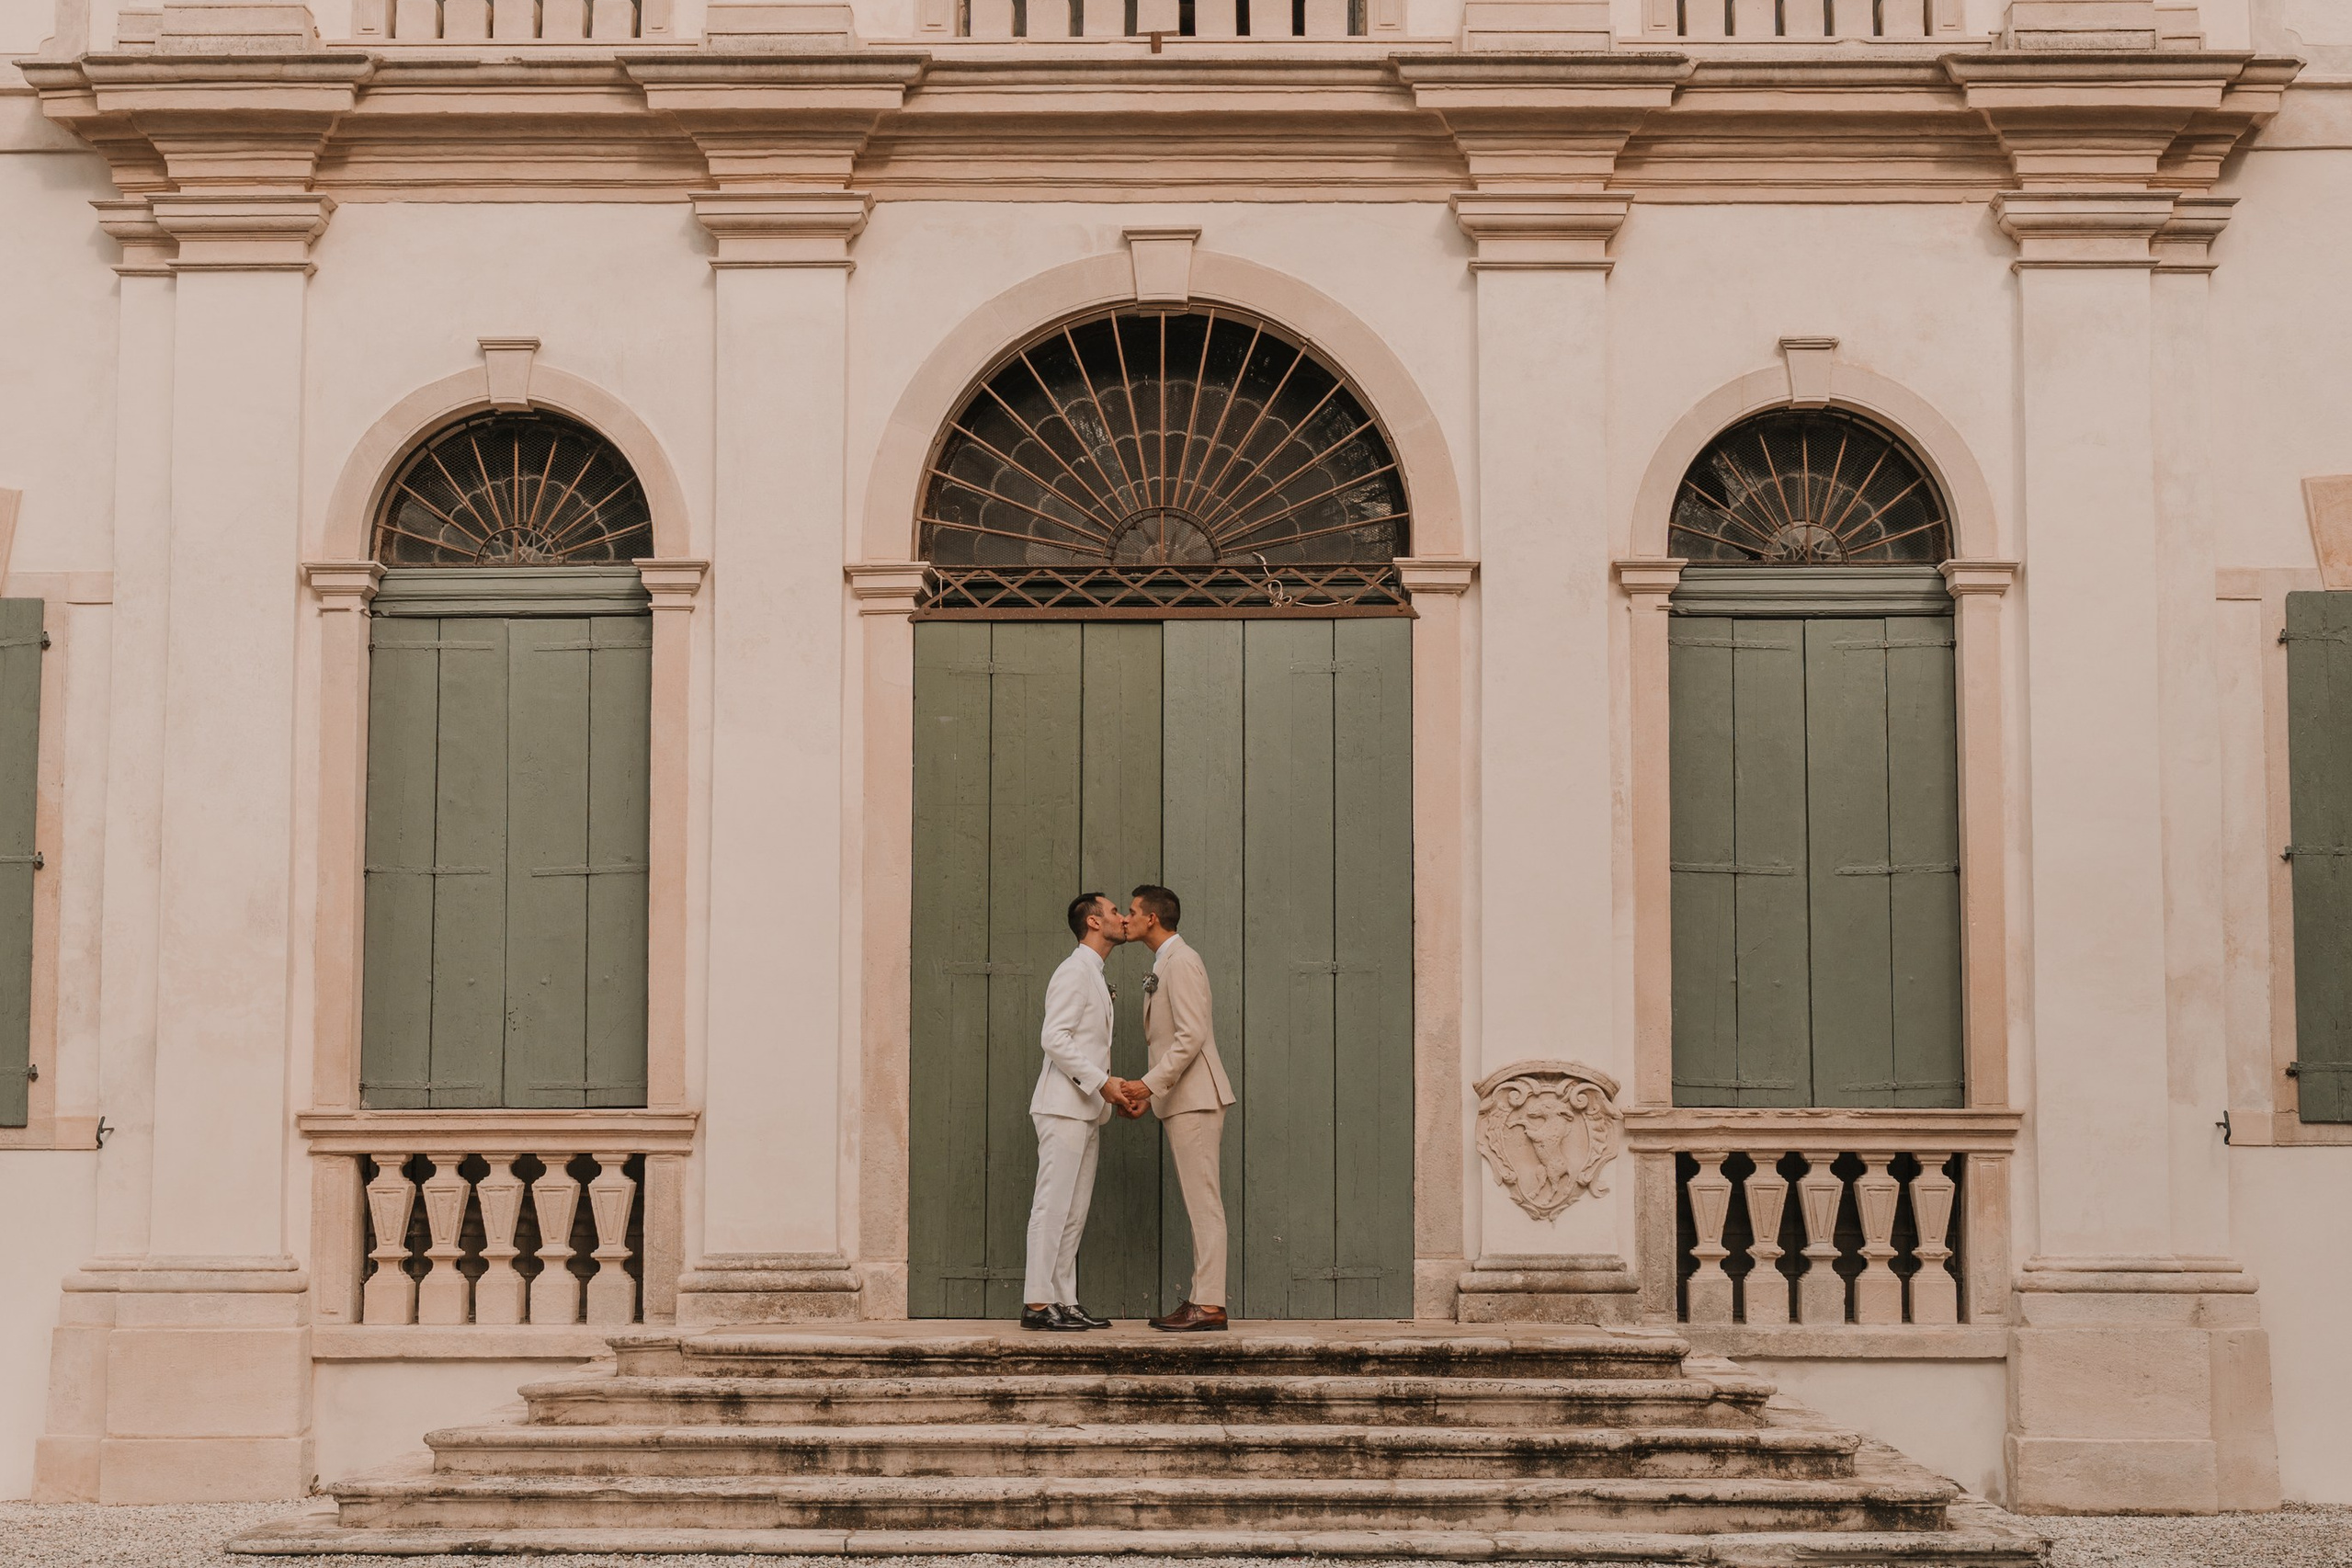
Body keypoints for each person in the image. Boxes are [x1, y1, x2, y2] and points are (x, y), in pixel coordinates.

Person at [1021, 891, 1148, 1333]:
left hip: (1087, 1109)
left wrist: (1106, 1091)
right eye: (1115, 911)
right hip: (1062, 1107)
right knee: (1051, 1207)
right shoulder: (1074, 971)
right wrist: (1102, 1083)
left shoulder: (1093, 972)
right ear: (1094, 922)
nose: (1122, 918)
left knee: (1073, 1212)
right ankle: (1037, 1304)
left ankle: (1065, 1300)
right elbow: (1054, 1038)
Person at [1127, 883, 1237, 1332]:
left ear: (1152, 918)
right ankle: (1201, 1297)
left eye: (1132, 911)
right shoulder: (1165, 962)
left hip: (1196, 1098)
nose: (1127, 918)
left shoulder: (1183, 961)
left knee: (1203, 1201)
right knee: (1198, 1201)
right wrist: (1152, 1092)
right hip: (1181, 1098)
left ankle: (1209, 1305)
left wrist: (1146, 1085)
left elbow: (1191, 1035)